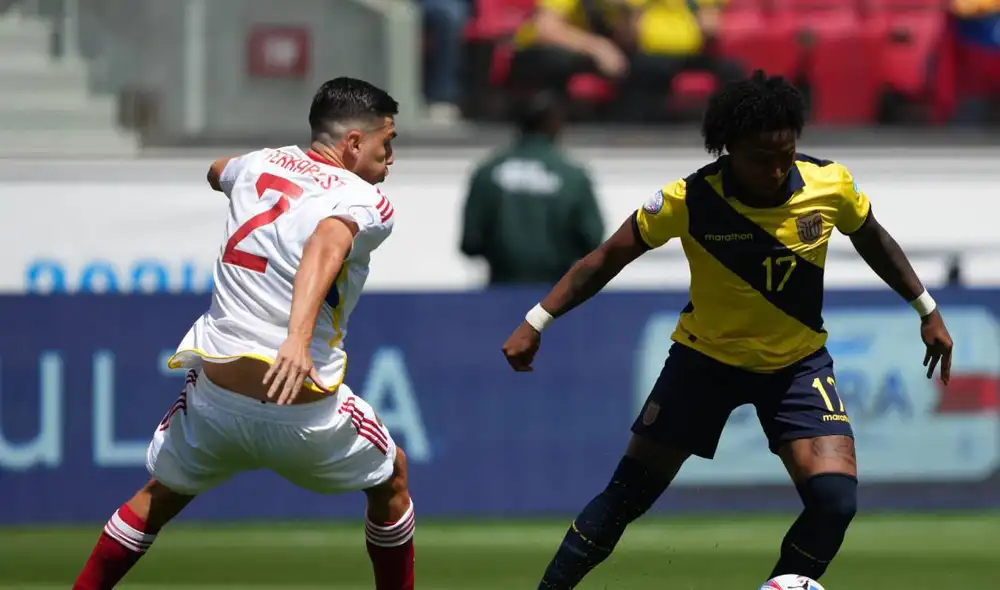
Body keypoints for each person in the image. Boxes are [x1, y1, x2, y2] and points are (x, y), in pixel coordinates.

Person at [501, 70, 954, 589]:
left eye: (787, 153)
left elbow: (873, 238)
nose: (778, 168)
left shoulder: (830, 186)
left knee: (835, 502)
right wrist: (537, 320)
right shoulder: (688, 200)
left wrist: (927, 309)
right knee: (626, 497)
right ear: (728, 150)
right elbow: (605, 258)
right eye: (763, 158)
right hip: (704, 363)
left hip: (795, 365)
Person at [72, 78, 415, 590]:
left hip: (217, 400)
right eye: (387, 143)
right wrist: (296, 340)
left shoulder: (257, 164)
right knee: (392, 479)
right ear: (353, 144)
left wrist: (240, 176)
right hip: (302, 406)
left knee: (157, 498)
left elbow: (216, 171)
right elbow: (326, 241)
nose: (392, 158)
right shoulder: (366, 200)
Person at [508, 0, 741, 121]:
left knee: (734, 71)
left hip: (678, 54)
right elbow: (545, 28)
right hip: (546, 53)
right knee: (646, 69)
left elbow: (625, 35)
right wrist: (598, 46)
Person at [460, 91, 604, 284]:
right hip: (557, 297)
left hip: (500, 293)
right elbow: (592, 239)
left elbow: (470, 242)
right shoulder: (572, 175)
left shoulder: (488, 172)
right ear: (555, 123)